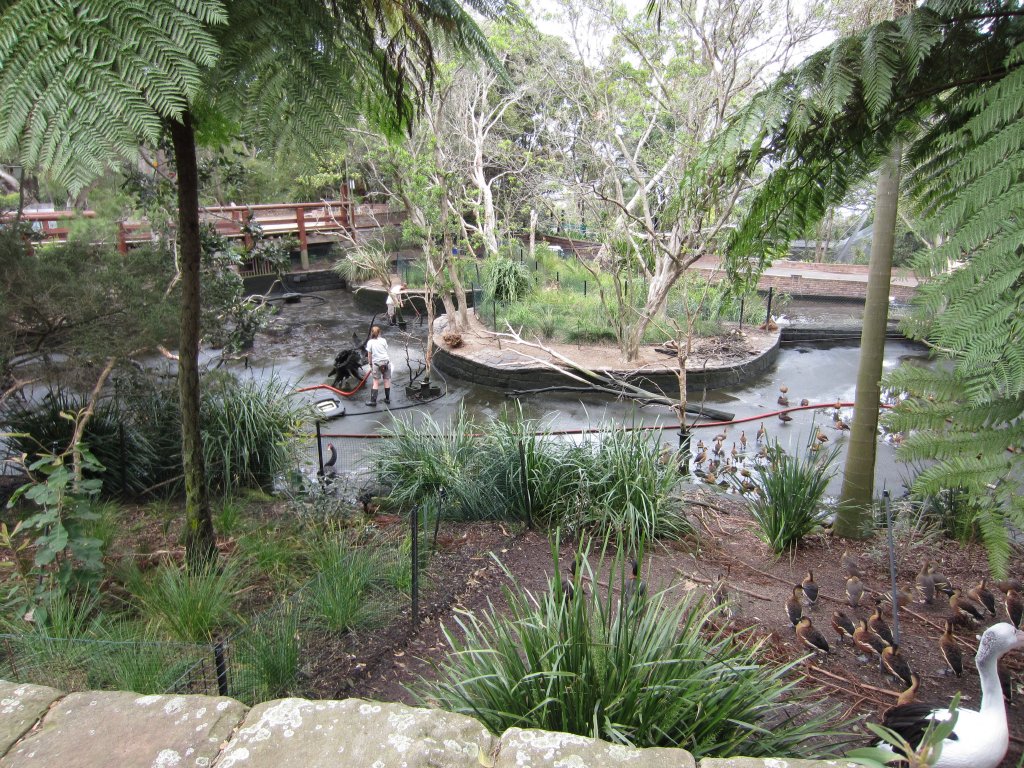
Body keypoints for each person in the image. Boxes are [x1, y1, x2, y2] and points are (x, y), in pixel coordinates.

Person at [365, 325, 392, 406]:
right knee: (386, 380)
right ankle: (387, 399)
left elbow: (369, 355)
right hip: (387, 362)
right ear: (380, 332)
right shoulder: (383, 340)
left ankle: (373, 401)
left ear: (371, 333)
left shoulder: (370, 342)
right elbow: (385, 350)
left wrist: (370, 364)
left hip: (377, 364)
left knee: (375, 382)